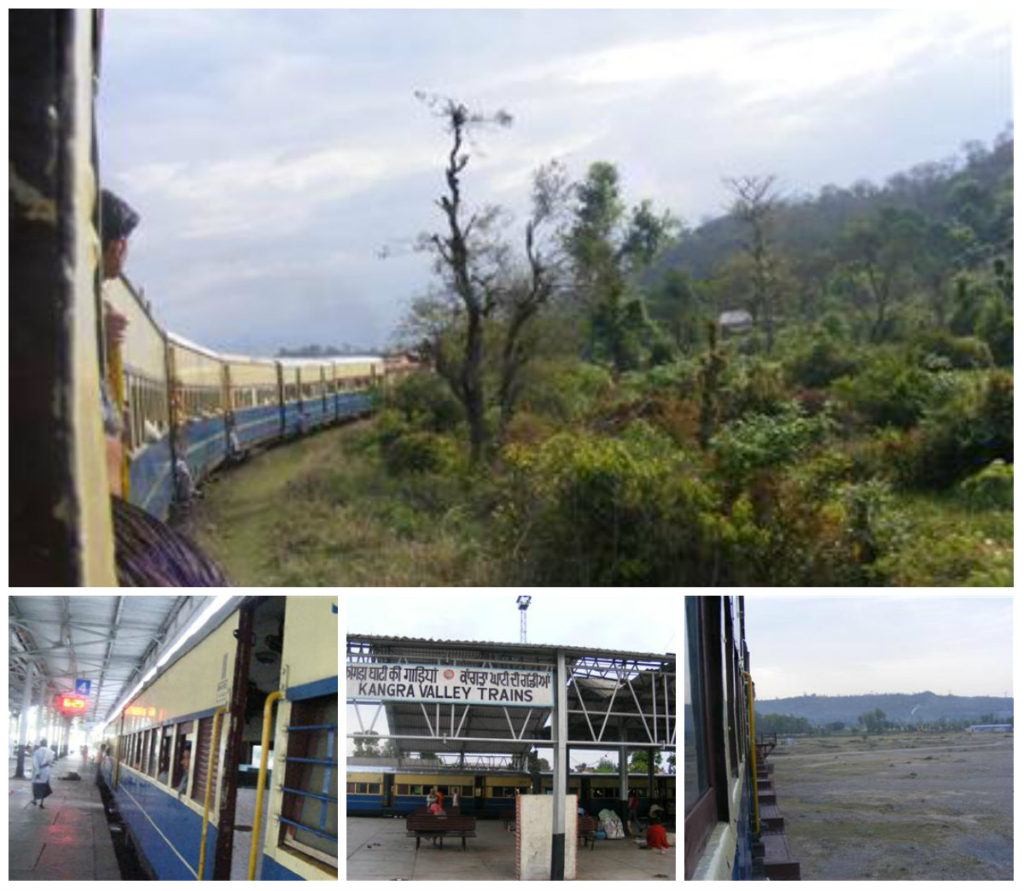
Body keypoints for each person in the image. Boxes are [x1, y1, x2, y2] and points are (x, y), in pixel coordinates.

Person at [30, 738, 55, 808]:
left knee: (36, 786)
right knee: (44, 786)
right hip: (46, 771)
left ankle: (34, 800)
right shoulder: (50, 752)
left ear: (40, 744)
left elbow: (35, 763)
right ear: (46, 744)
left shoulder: (36, 752)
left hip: (38, 771)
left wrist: (37, 772)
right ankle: (41, 803)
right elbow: (51, 762)